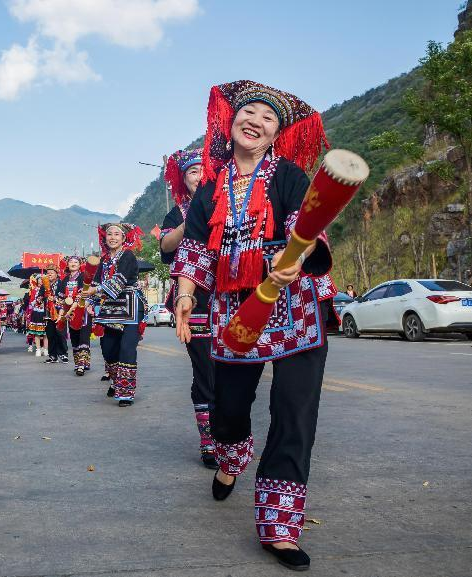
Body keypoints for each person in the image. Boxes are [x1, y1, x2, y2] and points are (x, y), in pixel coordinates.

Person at [171, 80, 335, 571]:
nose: (256, 120)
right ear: (232, 123)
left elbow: (307, 227)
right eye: (249, 112)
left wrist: (295, 255)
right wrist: (183, 294)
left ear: (275, 134)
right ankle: (231, 454)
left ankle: (280, 527)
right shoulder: (210, 190)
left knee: (294, 414)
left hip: (296, 309)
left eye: (268, 117)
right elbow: (195, 248)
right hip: (234, 312)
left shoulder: (288, 176)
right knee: (229, 411)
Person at [162, 149, 218, 470]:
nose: (198, 176)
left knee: (229, 367)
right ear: (183, 180)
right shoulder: (178, 213)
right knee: (204, 366)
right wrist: (193, 219)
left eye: (202, 170)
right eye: (191, 172)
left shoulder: (227, 200)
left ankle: (228, 433)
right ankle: (209, 440)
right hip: (193, 296)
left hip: (225, 293)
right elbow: (166, 246)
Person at [83, 223, 146, 406]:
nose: (112, 237)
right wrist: (88, 302)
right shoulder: (103, 260)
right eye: (109, 234)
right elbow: (95, 282)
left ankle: (125, 393)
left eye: (117, 234)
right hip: (109, 309)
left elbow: (118, 281)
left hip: (130, 306)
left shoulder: (127, 256)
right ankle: (115, 380)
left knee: (127, 349)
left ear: (124, 238)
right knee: (108, 349)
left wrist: (94, 292)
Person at [61, 256, 92, 376]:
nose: (73, 264)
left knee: (83, 337)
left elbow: (86, 292)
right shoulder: (64, 280)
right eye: (71, 262)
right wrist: (61, 303)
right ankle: (78, 363)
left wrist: (77, 302)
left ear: (80, 265)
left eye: (76, 262)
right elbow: (60, 295)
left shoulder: (84, 277)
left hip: (83, 311)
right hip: (70, 313)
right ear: (67, 265)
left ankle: (82, 365)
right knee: (74, 338)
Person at [43, 268, 68, 363]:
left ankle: (63, 354)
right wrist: (41, 298)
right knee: (50, 334)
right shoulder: (44, 285)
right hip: (48, 313)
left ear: (56, 274)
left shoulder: (61, 284)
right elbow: (40, 296)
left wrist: (54, 298)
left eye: (51, 273)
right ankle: (53, 355)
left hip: (59, 312)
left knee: (60, 333)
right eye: (48, 273)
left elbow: (64, 296)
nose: (49, 274)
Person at [26, 273, 48, 357]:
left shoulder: (48, 288)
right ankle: (38, 349)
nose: (41, 280)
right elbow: (31, 302)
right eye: (40, 279)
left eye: (43, 279)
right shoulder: (34, 289)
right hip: (37, 312)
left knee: (46, 332)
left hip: (46, 312)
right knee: (37, 332)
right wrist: (38, 301)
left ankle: (45, 349)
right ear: (37, 280)